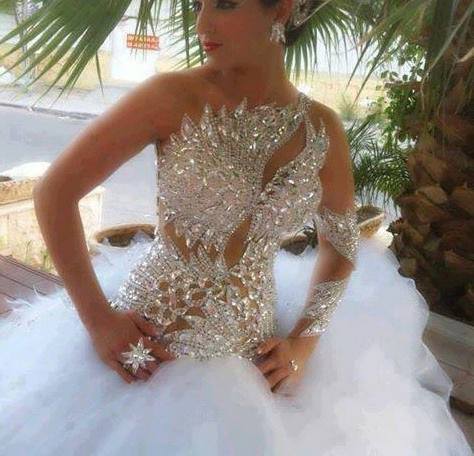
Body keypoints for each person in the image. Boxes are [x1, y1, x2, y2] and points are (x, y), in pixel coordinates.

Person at [0, 0, 471, 453]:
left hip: (254, 370)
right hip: (148, 358)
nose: (202, 24)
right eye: (197, 5)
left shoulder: (322, 129)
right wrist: (99, 321)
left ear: (280, 8)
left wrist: (304, 342)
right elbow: (54, 193)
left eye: (224, 4)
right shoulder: (171, 96)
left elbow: (341, 246)